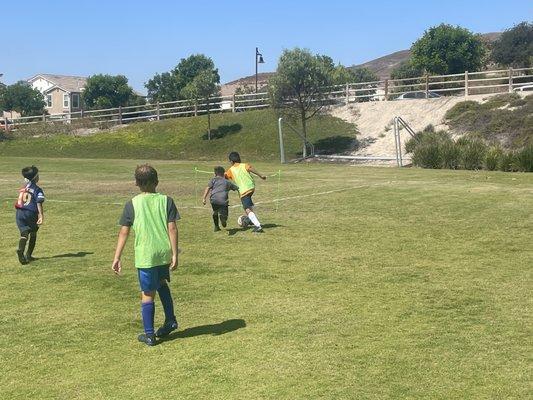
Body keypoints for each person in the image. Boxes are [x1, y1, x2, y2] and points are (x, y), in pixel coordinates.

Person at [112, 164, 180, 346]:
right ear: (156, 181)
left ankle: (149, 334)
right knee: (162, 284)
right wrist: (174, 254)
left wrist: (117, 257)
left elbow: (123, 233)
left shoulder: (132, 204)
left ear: (136, 183)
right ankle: (170, 320)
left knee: (147, 294)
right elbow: (172, 228)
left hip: (146, 255)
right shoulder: (167, 200)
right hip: (163, 252)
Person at [225, 151, 266, 233]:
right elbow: (251, 169)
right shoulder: (244, 165)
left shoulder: (231, 170)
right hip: (251, 187)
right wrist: (260, 175)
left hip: (244, 191)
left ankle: (258, 226)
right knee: (248, 207)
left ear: (231, 161)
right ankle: (251, 220)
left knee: (247, 208)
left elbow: (224, 176)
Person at [15, 165, 45, 265]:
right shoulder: (37, 189)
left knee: (24, 234)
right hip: (30, 213)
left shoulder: (23, 188)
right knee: (33, 233)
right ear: (35, 177)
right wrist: (41, 215)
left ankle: (20, 250)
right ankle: (28, 255)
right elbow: (39, 202)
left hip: (19, 213)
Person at [202, 166, 239, 231]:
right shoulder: (227, 182)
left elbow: (208, 188)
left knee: (215, 212)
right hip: (223, 200)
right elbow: (236, 188)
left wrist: (204, 198)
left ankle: (216, 227)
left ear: (215, 174)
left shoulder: (213, 180)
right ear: (224, 174)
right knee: (225, 213)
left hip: (213, 199)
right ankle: (223, 218)